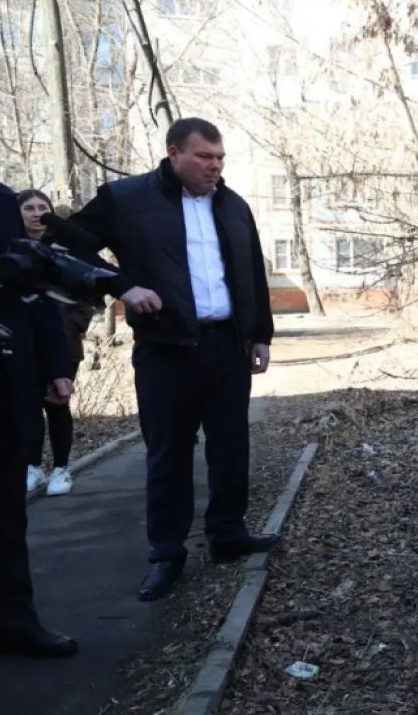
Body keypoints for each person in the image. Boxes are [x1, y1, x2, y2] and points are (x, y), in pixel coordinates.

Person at [69, 117, 277, 602]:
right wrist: (121, 285)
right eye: (204, 157)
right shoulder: (127, 200)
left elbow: (251, 272)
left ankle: (227, 535)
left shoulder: (233, 205)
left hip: (227, 346)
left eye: (220, 157)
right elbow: (69, 242)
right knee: (168, 454)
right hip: (166, 350)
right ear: (174, 153)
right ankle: (166, 554)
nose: (215, 166)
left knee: (231, 445)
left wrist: (260, 334)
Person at [0, 178, 78, 658]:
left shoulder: (2, 204)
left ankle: (12, 621)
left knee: (5, 516)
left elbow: (32, 292)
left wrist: (55, 366)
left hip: (3, 387)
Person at [17, 190, 96, 497]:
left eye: (42, 207)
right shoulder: (11, 247)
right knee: (27, 406)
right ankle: (33, 466)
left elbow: (88, 294)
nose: (36, 213)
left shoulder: (65, 249)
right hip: (24, 342)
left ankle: (61, 469)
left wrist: (71, 323)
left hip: (62, 342)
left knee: (57, 402)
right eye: (29, 208)